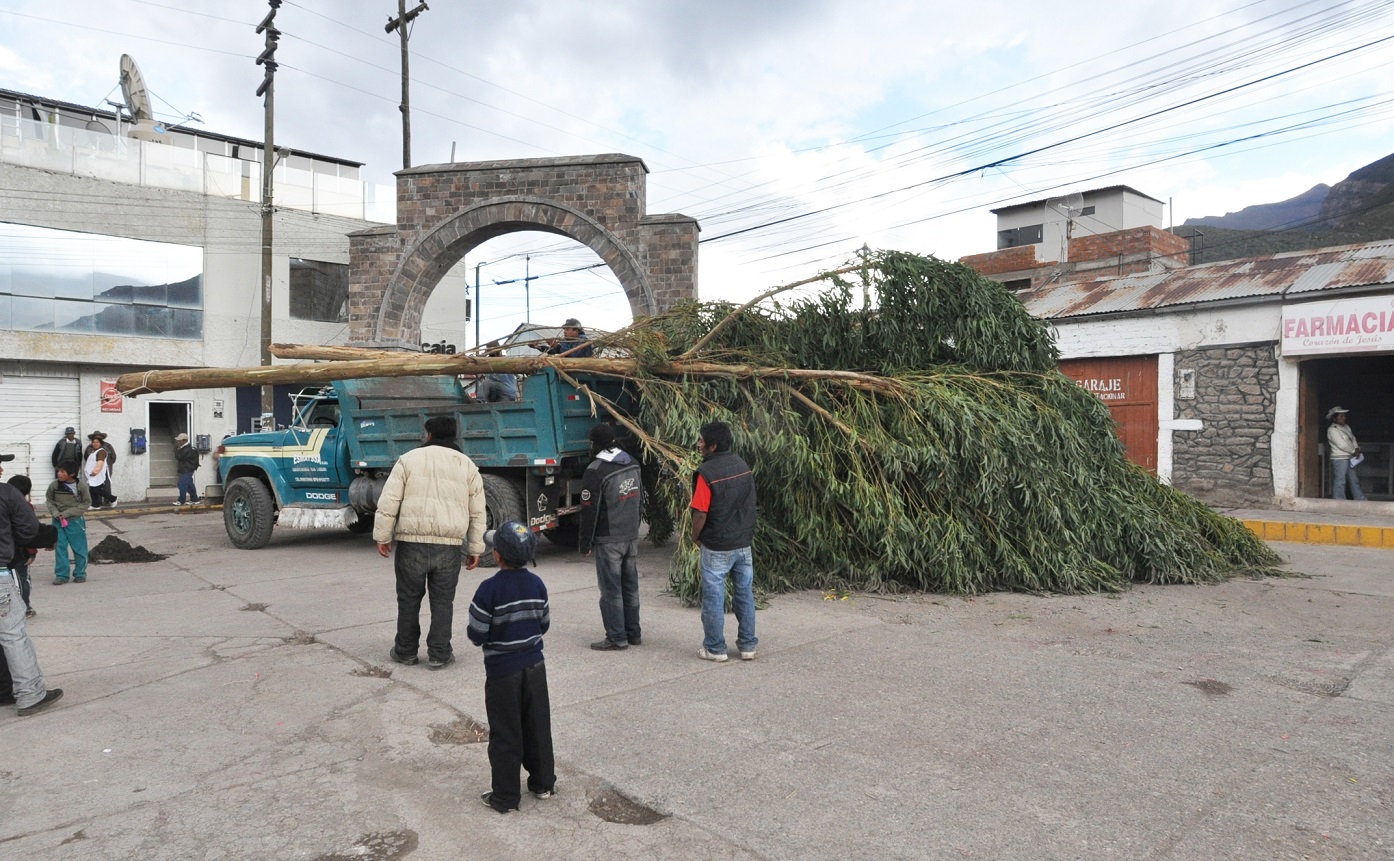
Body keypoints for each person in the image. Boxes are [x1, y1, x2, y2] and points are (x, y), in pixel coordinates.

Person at [373, 416, 487, 670]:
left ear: (429, 435)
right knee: (443, 602)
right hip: (448, 547)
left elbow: (389, 501)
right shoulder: (467, 466)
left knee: (409, 599)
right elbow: (478, 512)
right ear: (454, 436)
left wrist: (383, 535)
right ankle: (439, 653)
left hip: (411, 544)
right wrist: (475, 547)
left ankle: (405, 651)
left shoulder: (408, 460)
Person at [467, 520, 556, 813]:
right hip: (534, 666)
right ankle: (544, 783)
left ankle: (505, 796)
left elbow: (476, 632)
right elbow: (543, 623)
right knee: (537, 725)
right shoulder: (537, 584)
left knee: (505, 732)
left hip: (502, 671)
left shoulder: (488, 589)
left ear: (498, 555)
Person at [1, 452, 65, 715]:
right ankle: (30, 694)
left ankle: (5, 690)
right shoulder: (5, 493)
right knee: (13, 634)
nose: (1, 470)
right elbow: (28, 530)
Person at [690, 420, 758, 663]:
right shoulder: (742, 465)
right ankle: (748, 646)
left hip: (717, 545)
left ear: (713, 445)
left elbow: (700, 512)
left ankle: (715, 648)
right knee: (744, 594)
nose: (699, 444)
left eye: (702, 440)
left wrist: (695, 536)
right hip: (743, 544)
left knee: (713, 598)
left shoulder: (707, 473)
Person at [579, 424, 643, 651]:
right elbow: (640, 499)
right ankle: (634, 633)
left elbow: (590, 510)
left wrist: (585, 543)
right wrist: (635, 528)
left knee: (611, 589)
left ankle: (616, 637)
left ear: (595, 443)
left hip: (609, 539)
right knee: (630, 586)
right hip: (630, 535)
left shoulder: (595, 470)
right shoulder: (632, 462)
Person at [47, 461, 91, 585]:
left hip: (75, 521)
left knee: (79, 548)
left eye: (62, 471)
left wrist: (67, 513)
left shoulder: (81, 486)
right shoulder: (54, 485)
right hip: (57, 521)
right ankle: (61, 575)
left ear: (71, 474)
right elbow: (49, 501)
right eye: (58, 471)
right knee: (60, 548)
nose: (59, 473)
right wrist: (55, 513)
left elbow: (86, 503)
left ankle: (80, 573)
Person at [6, 475, 41, 618]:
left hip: (5, 550)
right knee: (21, 579)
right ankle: (24, 607)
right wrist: (32, 552)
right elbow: (30, 530)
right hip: (19, 551)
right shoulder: (25, 506)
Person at [1326, 406, 1367, 501]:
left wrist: (1356, 448)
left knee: (1354, 480)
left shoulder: (1346, 427)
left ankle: (1360, 498)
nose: (1343, 418)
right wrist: (1353, 451)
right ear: (1334, 418)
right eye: (1340, 416)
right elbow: (1341, 444)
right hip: (1340, 458)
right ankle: (1339, 499)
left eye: (1344, 416)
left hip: (1350, 457)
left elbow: (1353, 438)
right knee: (1340, 480)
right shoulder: (1332, 430)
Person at [82, 431, 117, 508]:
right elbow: (86, 458)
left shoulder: (106, 447)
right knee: (93, 488)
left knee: (101, 487)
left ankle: (111, 499)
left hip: (100, 471)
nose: (95, 443)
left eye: (98, 440)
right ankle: (96, 504)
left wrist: (99, 469)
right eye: (94, 440)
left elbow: (112, 458)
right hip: (92, 472)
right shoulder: (90, 448)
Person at [174, 433, 202, 506]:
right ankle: (194, 499)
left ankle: (181, 500)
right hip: (188, 468)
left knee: (182, 484)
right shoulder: (189, 448)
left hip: (186, 469)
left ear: (185, 440)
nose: (178, 442)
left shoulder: (187, 449)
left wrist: (176, 450)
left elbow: (179, 457)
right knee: (189, 484)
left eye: (180, 441)